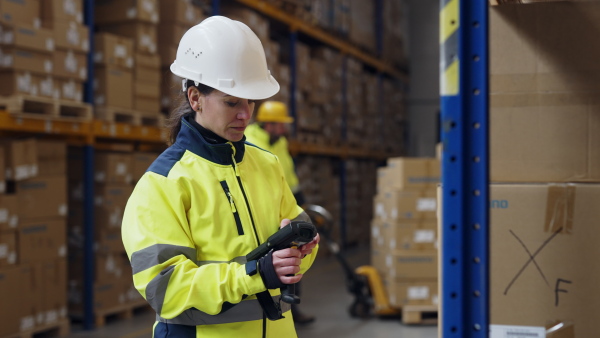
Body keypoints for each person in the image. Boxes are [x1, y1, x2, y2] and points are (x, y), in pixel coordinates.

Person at [121, 16, 319, 338]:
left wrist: (303, 248)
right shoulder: (164, 183)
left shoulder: (267, 164)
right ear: (195, 98)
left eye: (250, 101)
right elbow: (164, 288)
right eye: (231, 102)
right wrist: (255, 274)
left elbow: (295, 258)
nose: (245, 114)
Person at [245, 101, 315, 325]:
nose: (283, 130)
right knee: (270, 262)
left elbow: (289, 175)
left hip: (283, 207)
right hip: (262, 209)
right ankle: (267, 307)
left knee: (294, 256)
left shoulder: (280, 143)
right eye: (279, 125)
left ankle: (291, 308)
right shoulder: (249, 139)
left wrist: (300, 201)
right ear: (267, 124)